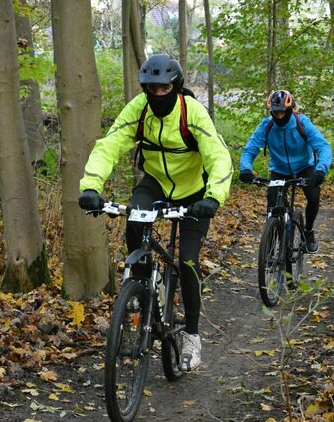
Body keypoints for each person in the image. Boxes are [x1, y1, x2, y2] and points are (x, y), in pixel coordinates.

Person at [78, 54, 232, 371]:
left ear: (175, 86)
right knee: (135, 217)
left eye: (164, 88)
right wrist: (91, 186)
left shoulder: (193, 113)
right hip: (155, 184)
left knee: (187, 260)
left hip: (195, 193)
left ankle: (191, 335)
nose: (158, 94)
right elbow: (110, 144)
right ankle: (144, 283)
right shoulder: (140, 109)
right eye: (152, 88)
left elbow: (218, 156)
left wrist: (213, 197)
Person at [239, 90, 332, 253]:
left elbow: (323, 146)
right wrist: (245, 169)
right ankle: (274, 239)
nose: (279, 116)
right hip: (279, 170)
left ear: (291, 110)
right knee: (275, 204)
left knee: (313, 196)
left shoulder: (302, 123)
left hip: (305, 167)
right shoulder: (266, 126)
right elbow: (250, 149)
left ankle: (308, 231)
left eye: (283, 112)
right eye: (276, 113)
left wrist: (320, 171)